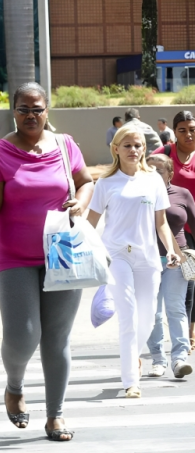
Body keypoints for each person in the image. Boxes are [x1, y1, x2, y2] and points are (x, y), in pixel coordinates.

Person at [0, 82, 94, 441]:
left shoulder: (64, 145)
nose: (31, 115)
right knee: (24, 335)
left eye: (37, 109)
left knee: (56, 338)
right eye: (23, 109)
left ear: (47, 110)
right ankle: (14, 386)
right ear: (13, 111)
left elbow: (86, 181)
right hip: (13, 257)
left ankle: (55, 415)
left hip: (61, 253)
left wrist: (82, 201)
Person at [87, 125, 180, 399]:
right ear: (116, 149)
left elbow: (161, 222)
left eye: (138, 145)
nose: (133, 150)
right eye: (127, 145)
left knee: (148, 318)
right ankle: (130, 380)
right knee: (127, 316)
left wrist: (171, 250)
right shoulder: (104, 183)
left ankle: (133, 359)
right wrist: (80, 248)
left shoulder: (153, 181)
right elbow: (91, 224)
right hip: (116, 255)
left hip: (148, 256)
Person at [144, 154, 194, 379]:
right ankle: (157, 359)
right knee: (152, 313)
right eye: (149, 170)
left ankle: (179, 359)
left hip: (176, 259)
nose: (153, 175)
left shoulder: (182, 194)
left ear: (170, 174)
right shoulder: (139, 195)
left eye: (159, 171)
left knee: (175, 309)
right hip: (146, 261)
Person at [152, 110, 195, 355]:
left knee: (191, 284)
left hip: (191, 220)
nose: (188, 134)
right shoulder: (164, 155)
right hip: (175, 227)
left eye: (192, 129)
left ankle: (189, 330)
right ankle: (187, 334)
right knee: (185, 286)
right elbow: (144, 169)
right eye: (182, 130)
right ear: (174, 132)